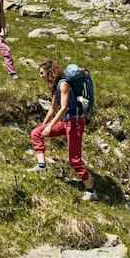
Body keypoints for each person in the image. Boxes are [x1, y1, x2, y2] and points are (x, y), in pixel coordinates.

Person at [30, 59, 97, 201]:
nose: (40, 76)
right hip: (66, 121)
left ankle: (91, 191)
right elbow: (52, 109)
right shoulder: (55, 87)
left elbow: (64, 107)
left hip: (75, 122)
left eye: (42, 73)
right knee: (36, 133)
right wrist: (44, 125)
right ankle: (41, 166)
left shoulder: (64, 84)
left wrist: (49, 126)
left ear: (50, 72)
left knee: (74, 160)